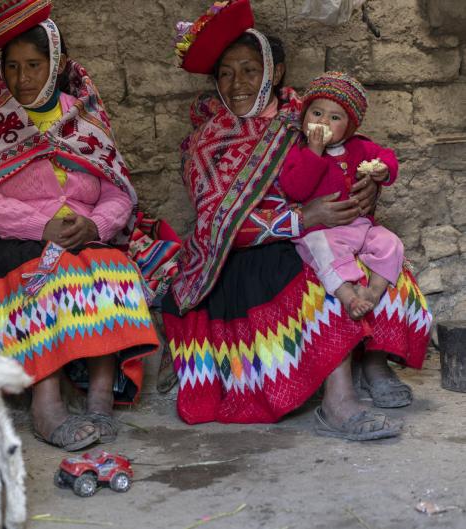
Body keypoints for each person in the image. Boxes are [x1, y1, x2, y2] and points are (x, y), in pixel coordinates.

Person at [162, 0, 430, 440]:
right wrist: (301, 218)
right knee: (314, 278)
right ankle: (338, 402)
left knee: (385, 259)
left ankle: (373, 361)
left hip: (317, 233)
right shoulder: (208, 141)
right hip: (244, 255)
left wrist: (368, 186)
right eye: (225, 74)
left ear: (276, 72)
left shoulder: (307, 116)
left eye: (249, 70)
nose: (237, 84)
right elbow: (216, 225)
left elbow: (350, 155)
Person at [0, 0, 159, 451]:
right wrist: (40, 225)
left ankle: (100, 396)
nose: (22, 78)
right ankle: (46, 404)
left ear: (58, 66)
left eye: (34, 65)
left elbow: (118, 192)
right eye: (12, 66)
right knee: (44, 273)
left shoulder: (83, 119)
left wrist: (94, 225)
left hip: (78, 236)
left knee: (112, 267)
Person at [281, 71, 403, 321]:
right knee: (320, 248)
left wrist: (384, 170)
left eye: (335, 117)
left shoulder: (360, 146)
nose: (323, 122)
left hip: (361, 226)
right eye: (316, 113)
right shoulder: (299, 151)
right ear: (304, 116)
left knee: (391, 243)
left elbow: (387, 156)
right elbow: (296, 190)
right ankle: (349, 297)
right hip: (324, 231)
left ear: (349, 127)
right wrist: (314, 151)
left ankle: (373, 293)